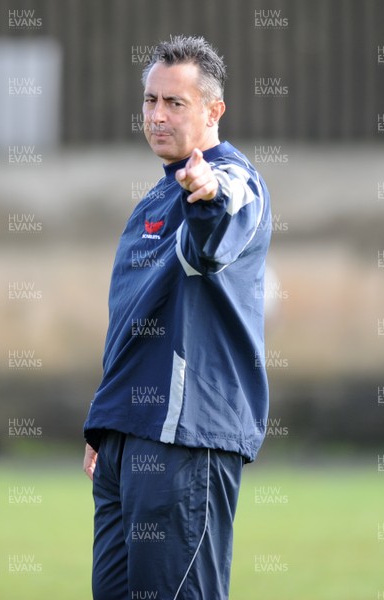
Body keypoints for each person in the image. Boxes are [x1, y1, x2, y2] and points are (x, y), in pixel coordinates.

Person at [83, 35, 271, 600]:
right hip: (127, 438)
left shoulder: (234, 182)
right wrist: (107, 421)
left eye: (175, 104)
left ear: (214, 111)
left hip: (184, 439)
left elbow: (220, 221)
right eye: (150, 101)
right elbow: (134, 317)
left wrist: (207, 192)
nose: (157, 116)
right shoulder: (155, 198)